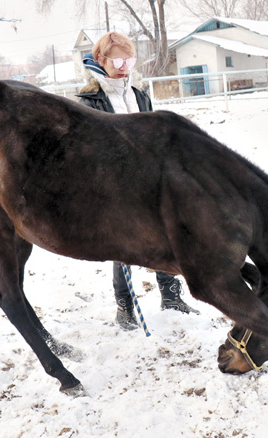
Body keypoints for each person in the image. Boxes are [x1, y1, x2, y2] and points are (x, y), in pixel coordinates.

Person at [76, 31, 198, 330]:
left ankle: (171, 297)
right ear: (101, 60)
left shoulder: (140, 94)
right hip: (114, 186)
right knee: (125, 246)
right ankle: (125, 309)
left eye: (129, 59)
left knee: (166, 234)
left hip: (150, 179)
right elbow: (87, 149)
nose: (123, 65)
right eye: (117, 59)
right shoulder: (89, 101)